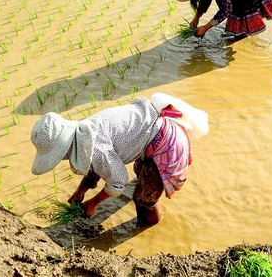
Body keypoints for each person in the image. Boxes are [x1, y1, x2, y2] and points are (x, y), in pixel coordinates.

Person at [30, 94, 207, 225]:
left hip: (167, 142)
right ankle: (149, 187)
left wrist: (93, 203)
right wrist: (81, 191)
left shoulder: (96, 147)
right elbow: (96, 165)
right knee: (141, 172)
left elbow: (118, 180)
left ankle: (150, 227)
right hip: (151, 131)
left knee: (144, 199)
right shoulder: (85, 131)